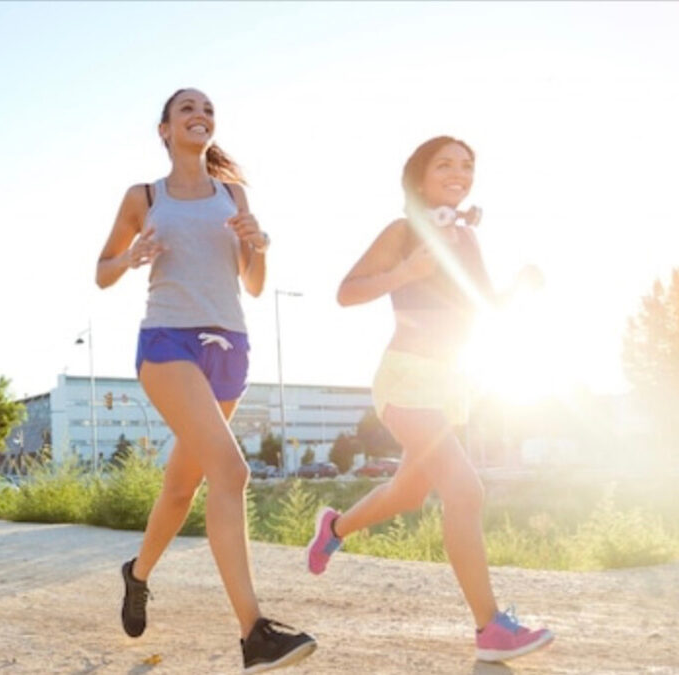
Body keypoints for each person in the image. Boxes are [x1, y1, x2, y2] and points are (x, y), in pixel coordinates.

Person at [96, 88, 317, 673]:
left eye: (208, 111)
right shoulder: (143, 196)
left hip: (230, 347)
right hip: (169, 341)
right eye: (187, 109)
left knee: (180, 487)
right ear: (165, 129)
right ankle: (255, 633)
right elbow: (101, 272)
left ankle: (137, 574)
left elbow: (253, 283)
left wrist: (258, 244)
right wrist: (131, 257)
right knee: (232, 470)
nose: (200, 116)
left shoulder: (233, 194)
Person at [310, 135, 552, 662]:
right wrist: (407, 271)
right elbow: (347, 291)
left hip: (449, 385)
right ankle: (491, 630)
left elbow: (484, 306)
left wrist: (520, 287)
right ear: (419, 177)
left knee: (409, 492)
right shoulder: (403, 231)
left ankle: (334, 526)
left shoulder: (466, 239)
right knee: (465, 491)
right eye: (445, 163)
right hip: (406, 378)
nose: (459, 171)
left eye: (467, 165)